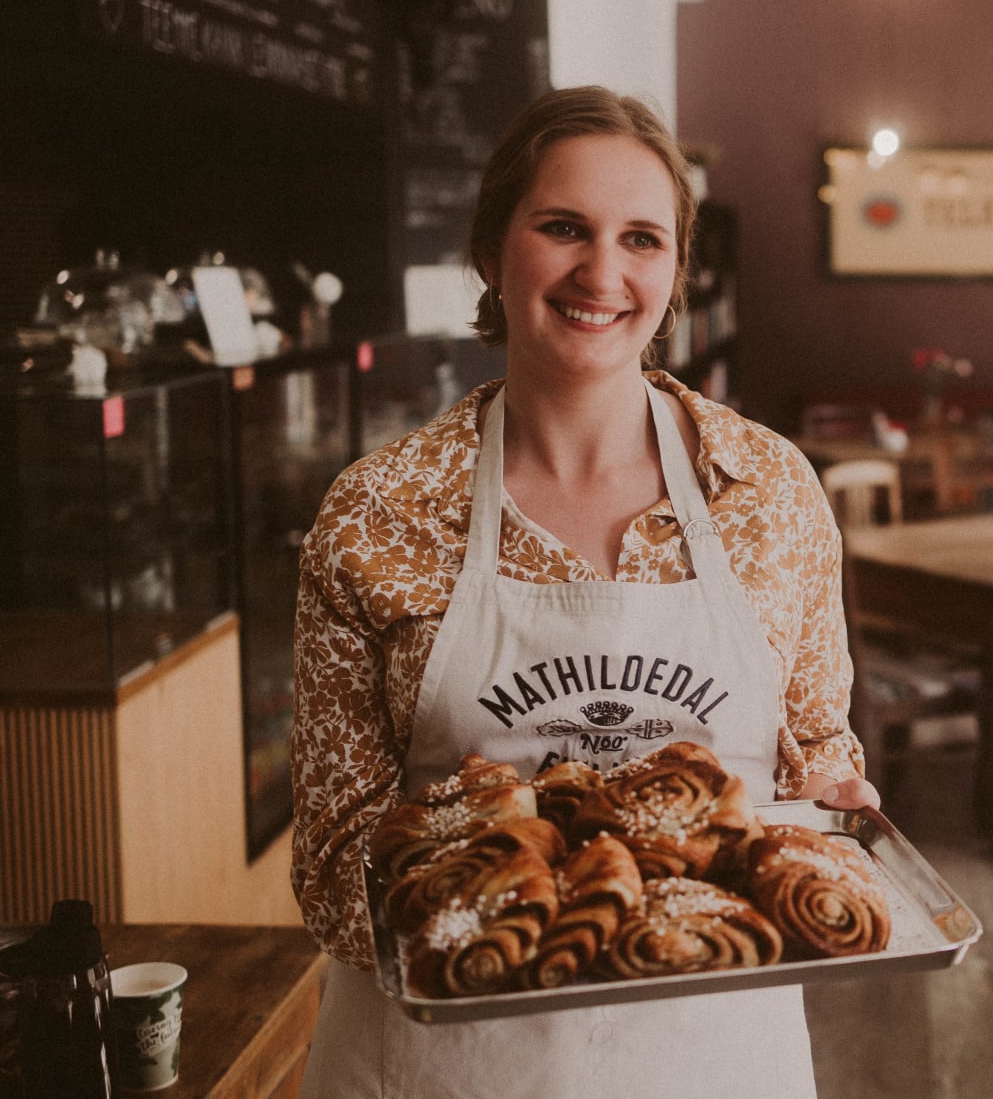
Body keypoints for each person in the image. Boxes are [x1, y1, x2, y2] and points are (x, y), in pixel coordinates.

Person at [290, 85, 877, 1097]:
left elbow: (818, 751)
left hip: (711, 1049)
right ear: (491, 251)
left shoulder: (770, 491)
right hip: (446, 1060)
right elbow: (334, 865)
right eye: (563, 227)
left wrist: (830, 812)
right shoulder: (378, 511)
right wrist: (543, 901)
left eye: (641, 238)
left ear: (676, 271)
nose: (601, 271)